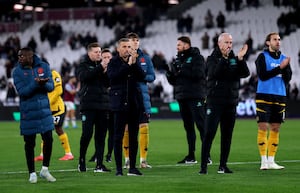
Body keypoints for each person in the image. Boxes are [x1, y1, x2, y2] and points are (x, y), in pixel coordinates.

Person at [199, 33, 250, 174]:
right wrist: (224, 59)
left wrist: (240, 59)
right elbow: (215, 73)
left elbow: (245, 73)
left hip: (230, 103)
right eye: (227, 42)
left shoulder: (235, 59)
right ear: (219, 44)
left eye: (231, 42)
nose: (229, 45)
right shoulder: (211, 59)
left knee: (227, 136)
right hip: (214, 102)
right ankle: (203, 167)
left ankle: (223, 166)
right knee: (209, 134)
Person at [12, 47, 56, 183]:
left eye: (22, 56)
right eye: (18, 56)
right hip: (28, 112)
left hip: (44, 111)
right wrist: (36, 84)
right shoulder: (17, 72)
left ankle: (45, 170)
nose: (19, 58)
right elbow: (23, 92)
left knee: (48, 139)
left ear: (30, 56)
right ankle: (32, 173)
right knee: (29, 143)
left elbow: (51, 86)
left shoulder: (44, 66)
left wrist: (43, 85)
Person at [165, 36, 208, 164]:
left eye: (179, 45)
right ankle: (191, 156)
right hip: (182, 97)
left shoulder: (197, 58)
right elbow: (174, 81)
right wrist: (169, 73)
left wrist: (181, 70)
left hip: (196, 96)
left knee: (201, 125)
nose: (177, 47)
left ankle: (207, 155)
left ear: (186, 45)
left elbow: (199, 74)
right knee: (188, 127)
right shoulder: (177, 60)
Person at [107, 38, 146, 176]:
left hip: (134, 104)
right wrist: (128, 65)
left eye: (129, 46)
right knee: (118, 137)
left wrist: (134, 65)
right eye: (124, 46)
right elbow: (113, 77)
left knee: (133, 137)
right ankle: (118, 169)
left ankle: (132, 168)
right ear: (118, 49)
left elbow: (143, 77)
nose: (127, 49)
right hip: (119, 105)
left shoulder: (134, 62)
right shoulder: (113, 62)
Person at [255, 32, 292, 170]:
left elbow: (287, 79)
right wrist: (280, 68)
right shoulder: (262, 57)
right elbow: (263, 76)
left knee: (275, 128)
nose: (278, 42)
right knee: (263, 126)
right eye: (275, 39)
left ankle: (271, 161)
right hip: (264, 96)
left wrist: (286, 68)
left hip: (279, 96)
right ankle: (263, 161)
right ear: (268, 43)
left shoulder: (284, 58)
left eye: (279, 39)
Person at [76, 42, 111, 173]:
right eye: (96, 52)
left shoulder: (102, 67)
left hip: (103, 105)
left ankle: (99, 164)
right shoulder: (83, 66)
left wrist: (107, 72)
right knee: (87, 134)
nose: (99, 54)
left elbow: (108, 83)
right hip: (88, 105)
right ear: (89, 53)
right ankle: (82, 160)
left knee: (101, 136)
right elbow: (84, 77)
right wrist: (101, 68)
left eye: (99, 52)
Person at [122, 32, 155, 169]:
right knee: (127, 128)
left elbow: (152, 76)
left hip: (142, 97)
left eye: (137, 40)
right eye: (132, 40)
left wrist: (140, 76)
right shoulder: (122, 57)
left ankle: (143, 160)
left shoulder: (145, 58)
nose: (135, 42)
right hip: (127, 96)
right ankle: (127, 160)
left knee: (144, 126)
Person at [34, 69, 74, 162]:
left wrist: (48, 102)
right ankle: (42, 154)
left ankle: (68, 153)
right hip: (46, 109)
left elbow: (59, 91)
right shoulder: (38, 77)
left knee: (58, 129)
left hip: (57, 109)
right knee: (44, 130)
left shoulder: (53, 74)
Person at [88, 48, 114, 163]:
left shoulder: (115, 70)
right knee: (100, 132)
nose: (107, 59)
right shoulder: (98, 71)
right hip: (102, 105)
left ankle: (109, 154)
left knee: (112, 131)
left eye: (109, 57)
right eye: (105, 57)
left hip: (114, 104)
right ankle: (97, 154)